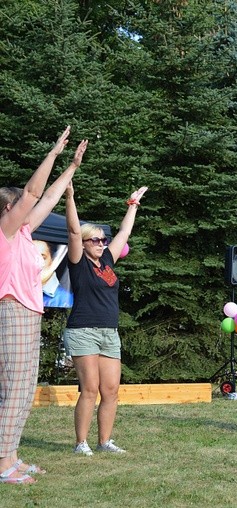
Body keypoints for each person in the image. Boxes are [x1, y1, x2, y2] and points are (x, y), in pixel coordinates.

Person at [0, 127, 86, 484]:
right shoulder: (4, 231)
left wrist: (72, 168)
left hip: (28, 312)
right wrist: (52, 154)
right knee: (12, 390)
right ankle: (2, 464)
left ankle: (12, 455)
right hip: (12, 310)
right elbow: (34, 192)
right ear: (9, 208)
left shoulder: (20, 233)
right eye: (21, 204)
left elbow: (46, 198)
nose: (28, 207)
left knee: (22, 389)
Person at [63, 182, 147, 456]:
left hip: (109, 332)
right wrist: (70, 195)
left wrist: (132, 205)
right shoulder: (78, 262)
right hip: (83, 330)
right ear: (85, 244)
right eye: (95, 240)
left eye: (103, 240)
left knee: (110, 390)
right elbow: (74, 230)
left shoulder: (109, 260)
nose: (101, 244)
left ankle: (105, 441)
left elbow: (124, 231)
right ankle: (81, 443)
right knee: (89, 389)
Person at [34, 239, 73, 308]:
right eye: (30, 257)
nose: (37, 262)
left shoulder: (65, 298)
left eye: (43, 257)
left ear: (52, 260)